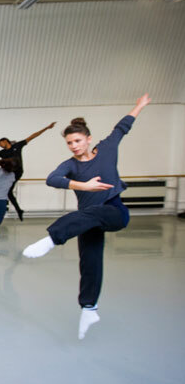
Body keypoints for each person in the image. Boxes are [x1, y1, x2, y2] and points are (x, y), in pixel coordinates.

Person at [22, 94, 151, 340]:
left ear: (88, 139)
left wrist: (140, 105)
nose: (74, 146)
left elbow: (123, 126)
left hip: (114, 211)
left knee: (92, 213)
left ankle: (51, 239)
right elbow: (52, 179)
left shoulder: (107, 148)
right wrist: (84, 187)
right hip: (87, 221)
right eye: (69, 142)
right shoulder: (71, 165)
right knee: (89, 264)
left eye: (78, 140)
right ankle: (89, 308)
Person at [0, 122, 56, 220]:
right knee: (8, 189)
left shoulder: (18, 145)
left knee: (2, 164)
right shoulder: (2, 152)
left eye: (0, 143)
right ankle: (19, 210)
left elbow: (32, 136)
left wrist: (46, 128)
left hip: (18, 171)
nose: (0, 145)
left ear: (5, 141)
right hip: (8, 173)